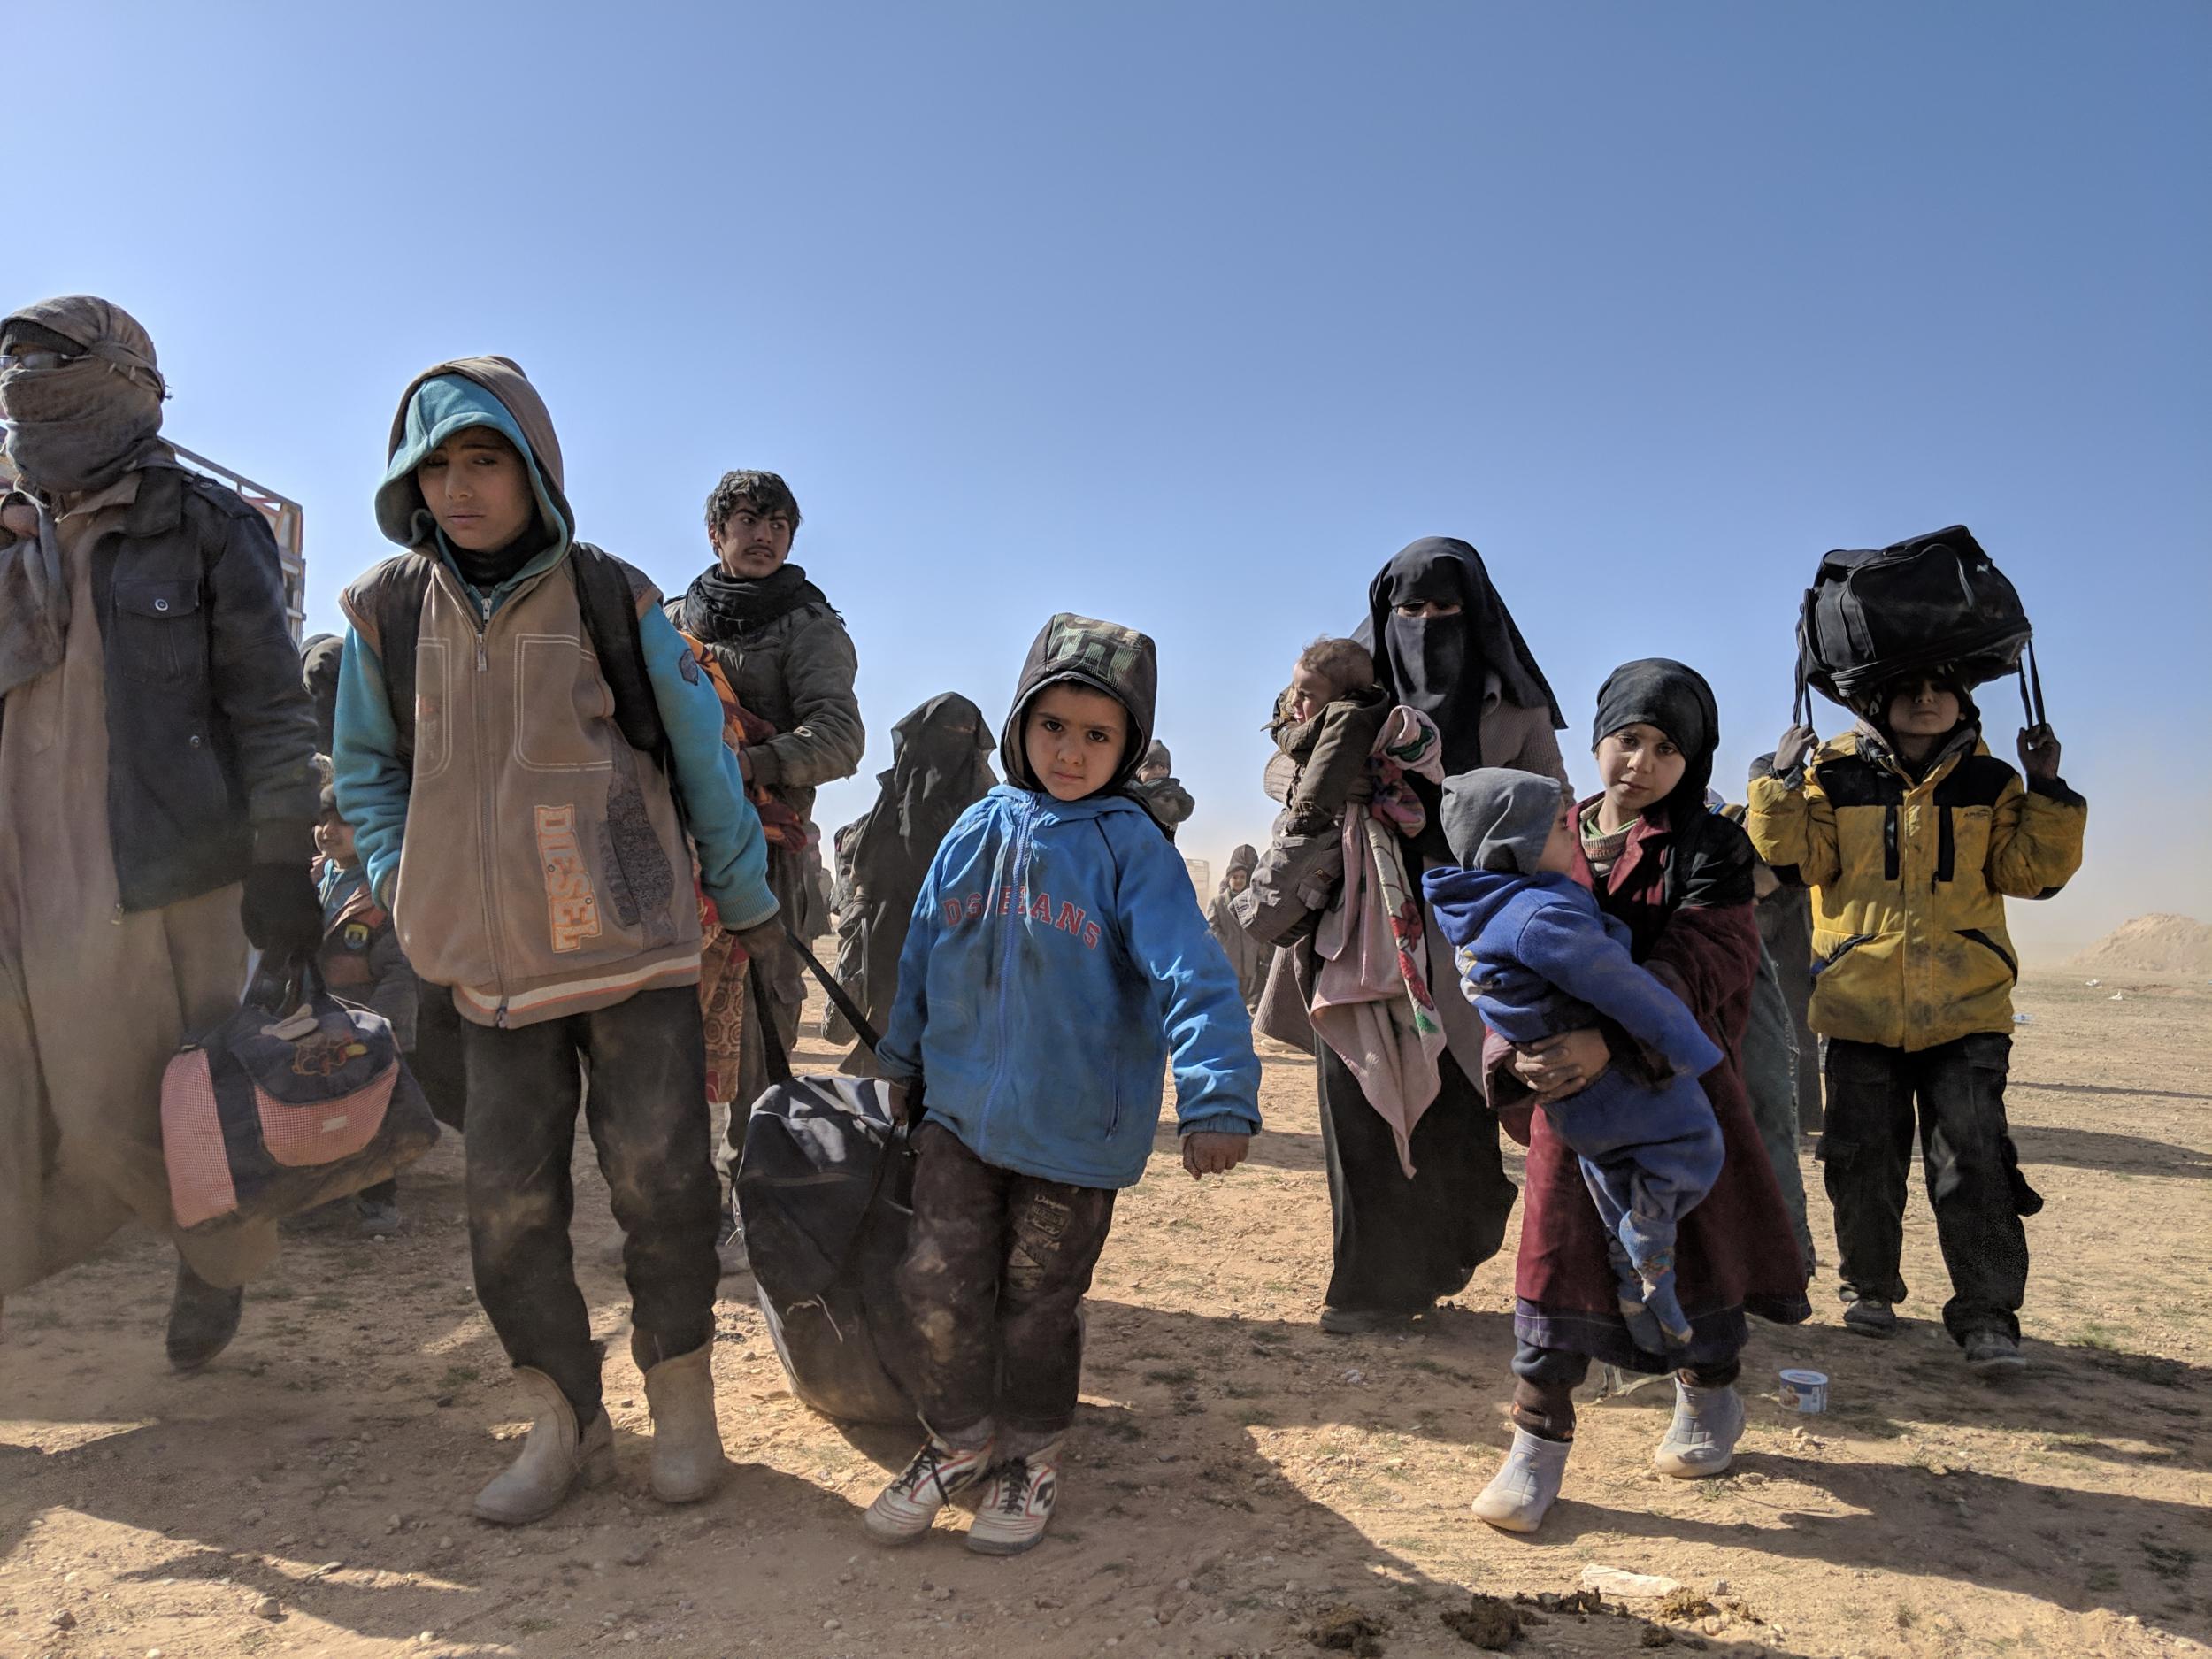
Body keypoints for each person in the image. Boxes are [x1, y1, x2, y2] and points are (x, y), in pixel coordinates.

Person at [332, 357, 783, 1524]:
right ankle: (563, 1419)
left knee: (664, 1185)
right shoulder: (385, 610)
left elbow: (703, 761)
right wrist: (403, 876)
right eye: (436, 463)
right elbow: (371, 772)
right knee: (507, 1207)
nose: (460, 485)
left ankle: (682, 1406)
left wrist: (747, 898)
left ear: (534, 467)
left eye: (484, 457)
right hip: (485, 974)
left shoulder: (612, 596)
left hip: (630, 954)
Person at [864, 613, 1261, 1555]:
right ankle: (959, 1441)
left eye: (1097, 734)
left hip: (1075, 1133)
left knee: (1037, 1304)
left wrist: (1215, 1096)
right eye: (1053, 726)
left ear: (1128, 745)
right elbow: (921, 954)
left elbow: (1191, 976)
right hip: (957, 1116)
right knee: (935, 1280)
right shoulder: (974, 826)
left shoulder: (1133, 848)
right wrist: (901, 1064)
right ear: (1019, 725)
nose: (1071, 751)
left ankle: (1031, 1454)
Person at [0, 296, 320, 1371]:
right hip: (19, 864)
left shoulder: (201, 525)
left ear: (129, 382)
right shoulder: (9, 526)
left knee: (145, 1099)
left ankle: (215, 1254)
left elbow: (272, 706)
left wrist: (283, 855)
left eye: (52, 364)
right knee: (26, 1099)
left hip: (159, 867)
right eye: (15, 366)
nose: (26, 384)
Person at [1467, 658, 1809, 1534]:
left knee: (1692, 1261)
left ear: (1691, 761)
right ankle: (1535, 1447)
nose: (1640, 764)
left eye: (1666, 748)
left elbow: (1708, 963)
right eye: (1627, 740)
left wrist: (1610, 1037)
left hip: (1675, 1094)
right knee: (1557, 1263)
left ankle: (1708, 1402)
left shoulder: (1711, 847)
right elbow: (1492, 953)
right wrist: (1517, 1058)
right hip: (1570, 1106)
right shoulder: (1545, 827)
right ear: (1596, 741)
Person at [1262, 536, 1568, 1335]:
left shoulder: (1518, 707)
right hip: (1355, 925)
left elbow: (1550, 810)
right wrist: (1337, 769)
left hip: (1471, 929)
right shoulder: (1344, 693)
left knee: (1463, 1105)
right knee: (1358, 1091)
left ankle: (1446, 1246)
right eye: (1410, 611)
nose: (1427, 625)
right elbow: (1282, 775)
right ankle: (1365, 1287)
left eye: (1447, 609)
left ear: (1479, 616)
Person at [1747, 668, 2085, 1376]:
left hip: (1967, 1006)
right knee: (1862, 1157)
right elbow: (1790, 857)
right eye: (1909, 687)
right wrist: (1778, 780)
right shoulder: (1831, 775)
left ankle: (1989, 1315)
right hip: (1860, 1001)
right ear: (1878, 696)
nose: (1925, 699)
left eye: (1942, 687)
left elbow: (2032, 874)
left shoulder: (1992, 780)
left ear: (1965, 699)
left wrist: (2046, 785)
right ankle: (1869, 1290)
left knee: (1974, 1164)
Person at [1425, 769, 1724, 1353]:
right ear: (1519, 846)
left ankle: (1640, 1288)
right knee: (1693, 1147)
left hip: (1566, 1096)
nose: (1573, 839)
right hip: (1606, 1076)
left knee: (1612, 1175)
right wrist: (1685, 1045)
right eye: (1560, 830)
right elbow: (1620, 986)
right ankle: (1647, 1242)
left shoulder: (1481, 906)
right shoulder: (1538, 919)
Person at [668, 471, 863, 1213]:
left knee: (758, 1024)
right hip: (668, 847)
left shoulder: (809, 624)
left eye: (778, 523)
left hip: (765, 850)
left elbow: (840, 736)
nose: (763, 534)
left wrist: (742, 764)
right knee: (665, 1025)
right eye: (746, 519)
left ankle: (752, 1195)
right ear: (716, 531)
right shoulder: (674, 616)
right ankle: (680, 1196)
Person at [826, 693, 998, 1074]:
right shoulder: (897, 791)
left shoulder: (984, 802)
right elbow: (866, 856)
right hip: (893, 924)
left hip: (959, 925)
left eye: (965, 732)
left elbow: (998, 866)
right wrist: (859, 904)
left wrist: (954, 838)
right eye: (946, 730)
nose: (955, 738)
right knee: (888, 1014)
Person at [310, 756, 415, 1235]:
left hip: (368, 1024)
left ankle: (379, 1204)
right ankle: (321, 1199)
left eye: (344, 822)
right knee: (322, 1114)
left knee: (373, 1117)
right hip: (322, 1020)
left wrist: (385, 1030)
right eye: (324, 819)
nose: (328, 830)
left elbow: (399, 970)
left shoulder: (382, 891)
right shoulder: (322, 879)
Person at [1274, 636, 1393, 835]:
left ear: (1339, 700)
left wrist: (1299, 826)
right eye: (1295, 690)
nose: (1294, 701)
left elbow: (1314, 802)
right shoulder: (1301, 719)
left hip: (1323, 834)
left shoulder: (1346, 721)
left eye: (1306, 696)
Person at [1207, 844, 1267, 1012]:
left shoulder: (1253, 895)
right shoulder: (1219, 900)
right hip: (1229, 958)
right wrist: (1225, 944)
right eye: (1235, 877)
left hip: (1249, 958)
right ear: (1229, 878)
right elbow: (1214, 926)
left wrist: (1258, 945)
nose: (1240, 880)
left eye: (1243, 876)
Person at [1127, 737, 1196, 838]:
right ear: (1139, 771)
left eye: (1162, 767)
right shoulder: (1127, 792)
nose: (1157, 771)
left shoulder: (1174, 795)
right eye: (1150, 767)